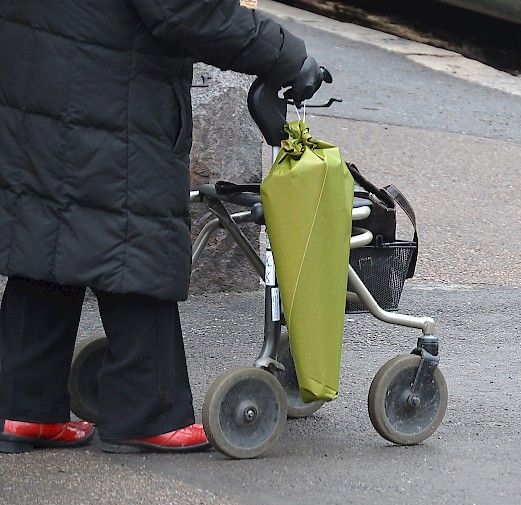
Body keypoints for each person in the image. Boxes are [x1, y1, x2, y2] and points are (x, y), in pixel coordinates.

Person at [0, 0, 324, 453]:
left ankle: (22, 407)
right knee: (130, 239)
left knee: (48, 232)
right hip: (113, 89)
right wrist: (285, 54)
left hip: (35, 76)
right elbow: (186, 9)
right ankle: (147, 413)